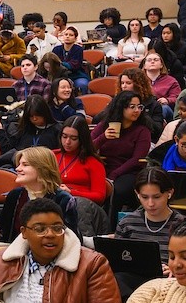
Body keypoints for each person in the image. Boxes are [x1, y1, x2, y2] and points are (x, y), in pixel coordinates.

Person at [0, 147, 79, 243]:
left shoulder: (63, 199)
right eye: (19, 164)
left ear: (42, 169)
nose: (17, 169)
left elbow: (70, 237)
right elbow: (2, 227)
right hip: (15, 254)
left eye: (25, 165)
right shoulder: (15, 195)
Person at [91, 91, 153, 220]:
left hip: (129, 171)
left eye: (139, 107)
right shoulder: (105, 125)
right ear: (121, 107)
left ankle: (111, 227)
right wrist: (103, 137)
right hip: (104, 168)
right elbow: (87, 148)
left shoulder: (142, 130)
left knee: (117, 190)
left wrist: (114, 174)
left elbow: (137, 159)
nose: (137, 110)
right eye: (132, 107)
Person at [0, 95, 60, 168]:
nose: (34, 119)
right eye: (31, 116)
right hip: (20, 167)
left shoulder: (57, 129)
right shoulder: (23, 129)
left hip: (44, 168)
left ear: (45, 113)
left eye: (38, 115)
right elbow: (6, 150)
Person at [53, 116, 106, 205]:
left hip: (80, 205)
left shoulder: (93, 162)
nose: (67, 142)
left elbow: (100, 196)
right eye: (64, 136)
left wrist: (71, 192)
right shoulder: (52, 155)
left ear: (82, 139)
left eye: (73, 138)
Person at [119, 67, 165, 140]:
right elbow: (98, 120)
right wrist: (113, 108)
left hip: (145, 139)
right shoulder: (117, 102)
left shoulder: (153, 104)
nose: (124, 86)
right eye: (122, 83)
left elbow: (157, 131)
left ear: (138, 85)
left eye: (128, 83)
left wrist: (140, 113)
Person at [141, 50, 181, 120]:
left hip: (163, 109)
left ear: (161, 65)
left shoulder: (171, 81)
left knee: (163, 108)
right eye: (149, 60)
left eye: (156, 60)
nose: (152, 62)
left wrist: (167, 100)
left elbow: (178, 98)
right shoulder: (138, 80)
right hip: (143, 108)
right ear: (144, 65)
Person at [54, 27, 89, 93]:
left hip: (76, 75)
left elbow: (75, 65)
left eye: (71, 35)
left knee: (82, 84)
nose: (67, 37)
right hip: (60, 76)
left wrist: (60, 64)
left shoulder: (78, 49)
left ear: (75, 38)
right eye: (66, 34)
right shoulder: (56, 49)